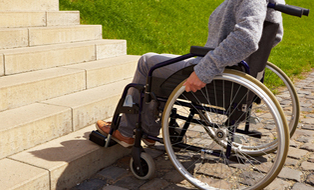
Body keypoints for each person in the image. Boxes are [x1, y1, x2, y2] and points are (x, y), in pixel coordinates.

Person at [96, 0, 285, 148]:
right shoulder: (273, 3)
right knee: (162, 65)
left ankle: (128, 131)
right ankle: (148, 128)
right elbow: (275, 36)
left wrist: (206, 69)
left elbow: (247, 39)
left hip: (215, 69)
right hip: (227, 67)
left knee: (147, 62)